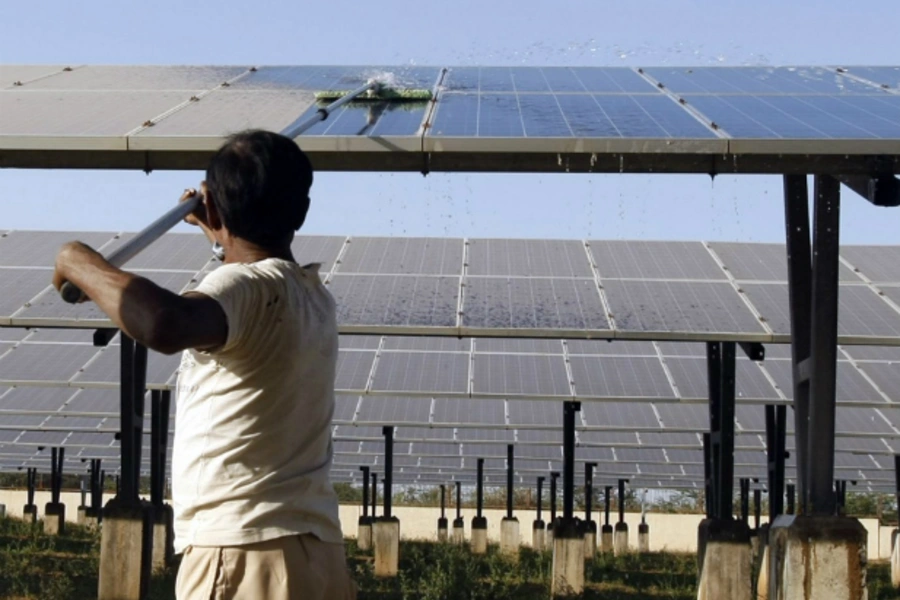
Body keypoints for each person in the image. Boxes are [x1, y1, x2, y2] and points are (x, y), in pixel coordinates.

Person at [52, 129, 356, 600]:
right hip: (314, 552)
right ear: (303, 211)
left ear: (213, 207)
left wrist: (79, 263)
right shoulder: (314, 296)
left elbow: (165, 324)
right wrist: (221, 236)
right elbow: (251, 283)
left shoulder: (246, 290)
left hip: (241, 553)